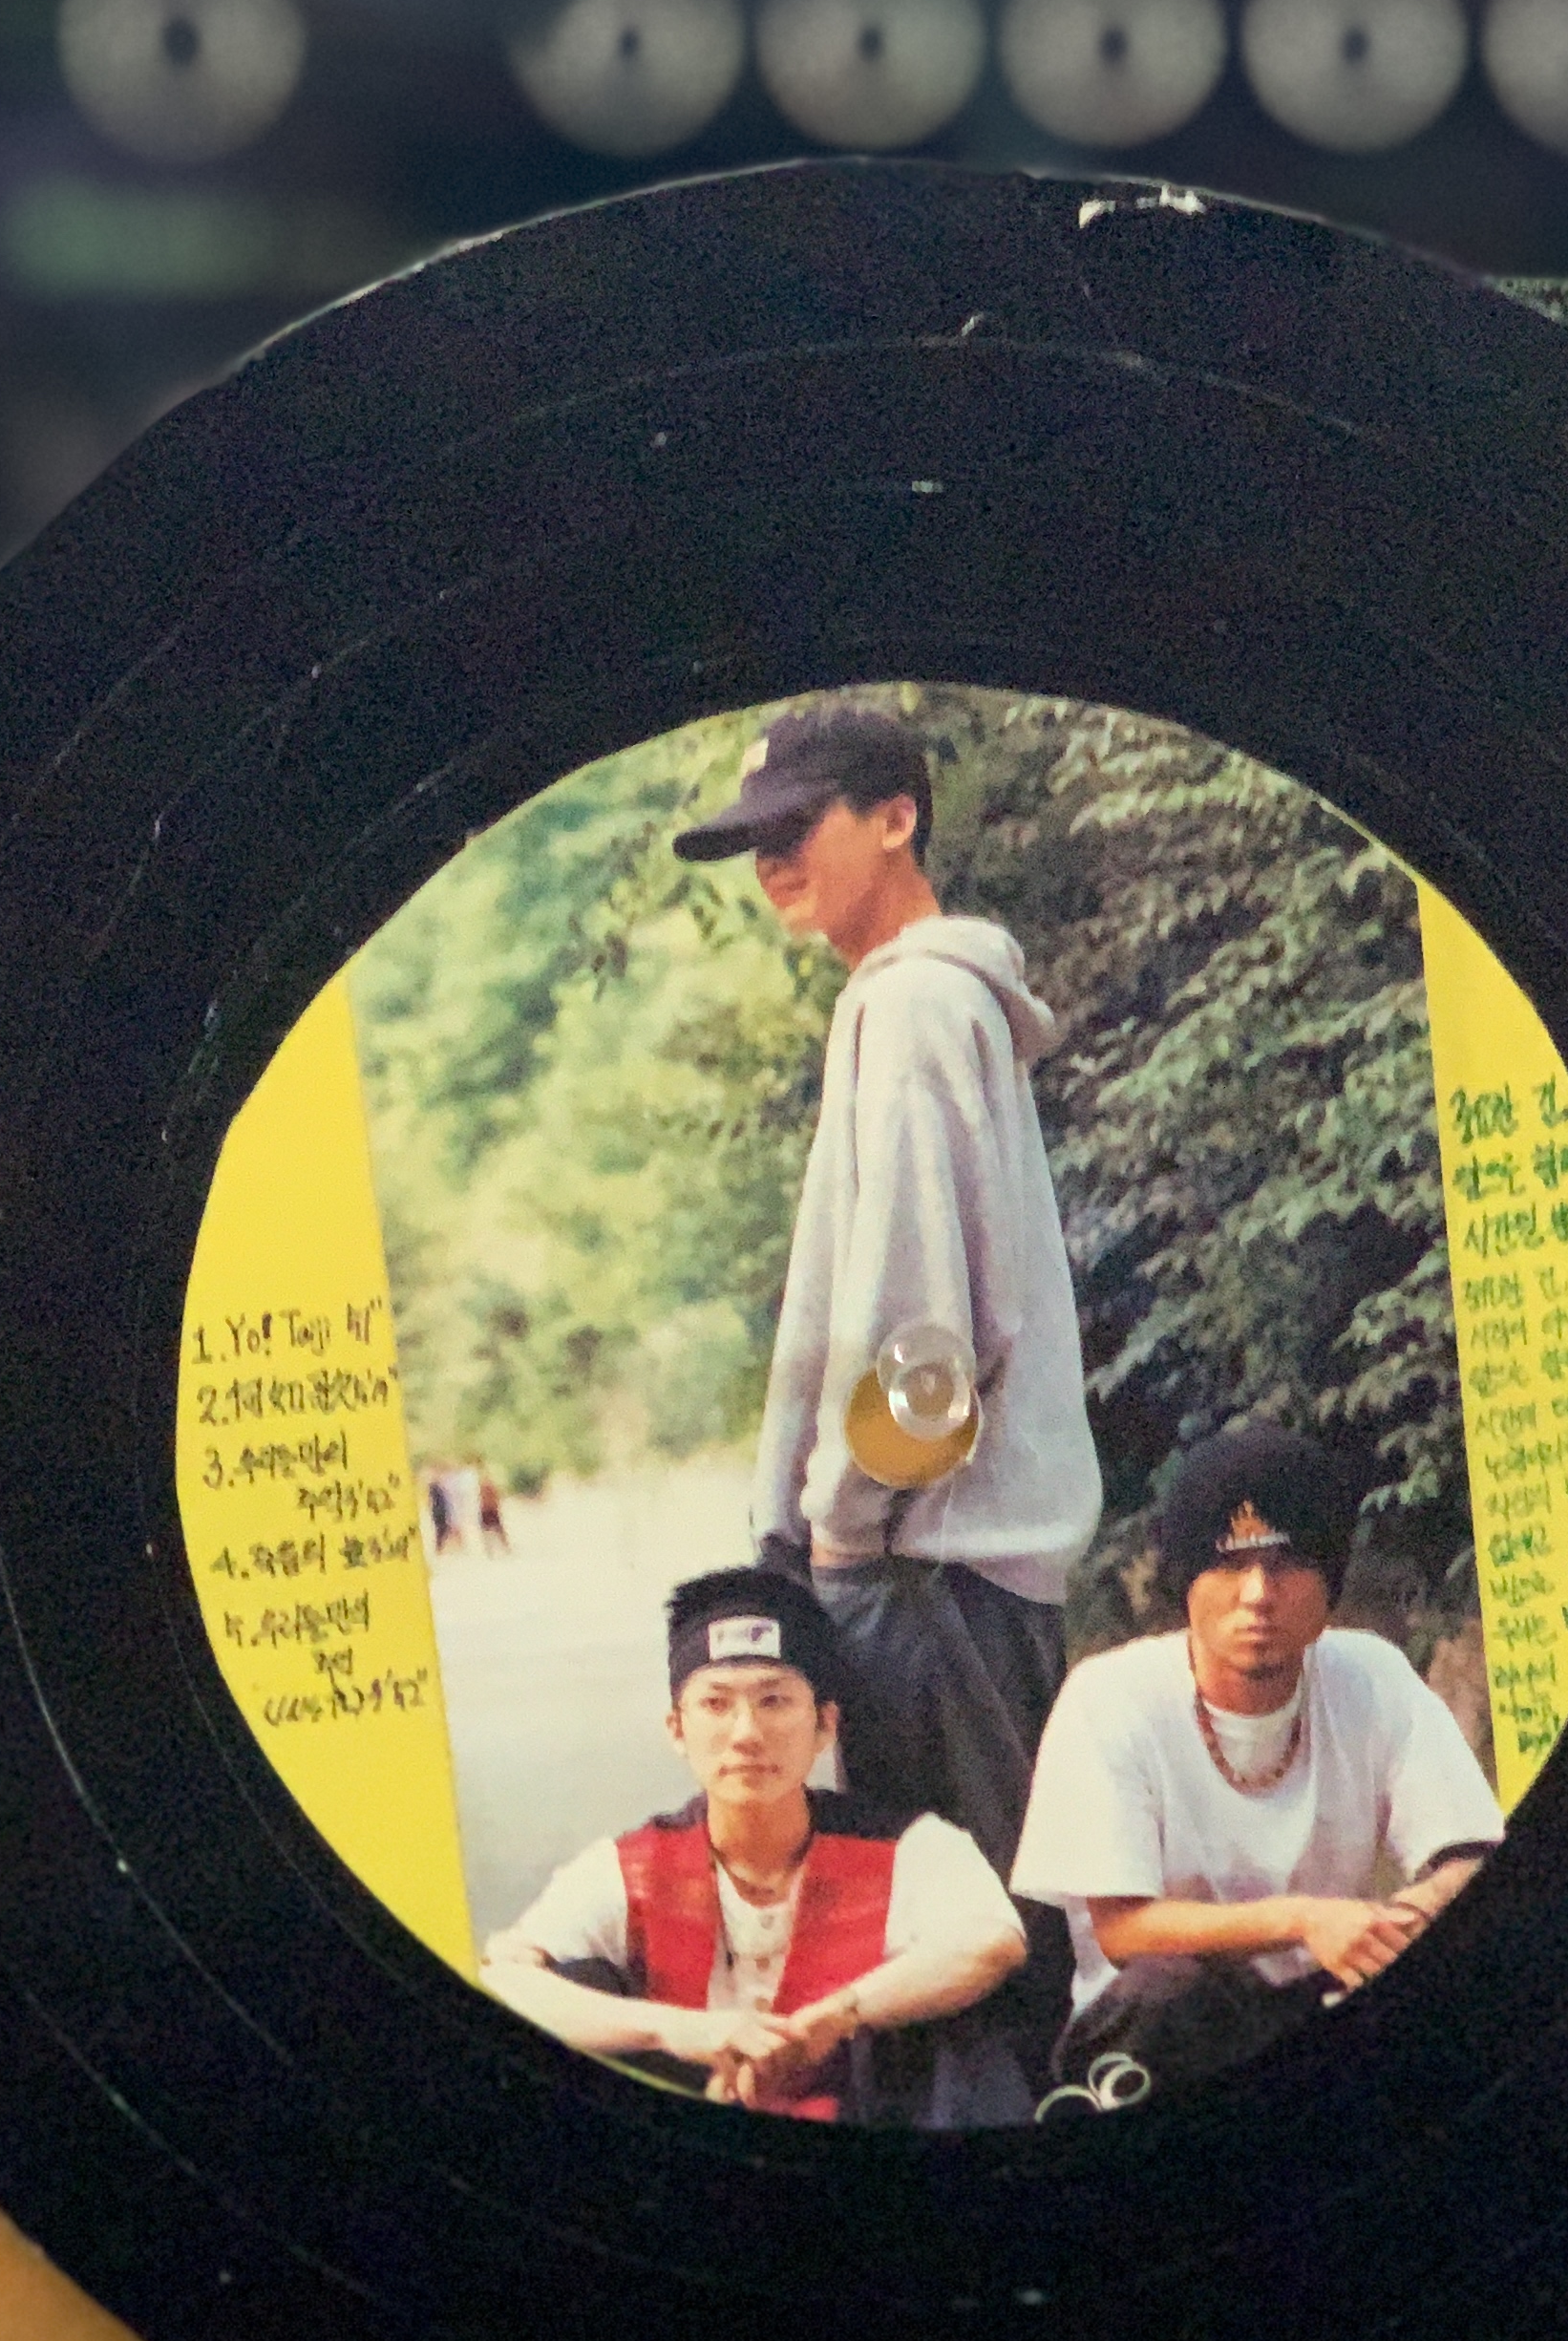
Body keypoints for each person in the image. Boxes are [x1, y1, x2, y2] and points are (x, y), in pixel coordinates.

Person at [671, 694, 1102, 2040]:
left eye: (797, 827)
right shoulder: (917, 999)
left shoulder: (915, 1005)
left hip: (928, 1571)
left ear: (898, 816)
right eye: (754, 842)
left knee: (967, 1956)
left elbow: (924, 1335)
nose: (771, 863)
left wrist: (843, 1527)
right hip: (949, 1564)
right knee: (986, 1937)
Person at [1009, 1426, 1502, 2103]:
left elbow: (1469, 1852)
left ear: (1330, 1582)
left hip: (1324, 1996)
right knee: (1167, 1992)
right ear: (1185, 1583)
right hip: (1155, 2032)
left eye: (1287, 1564)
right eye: (1229, 1565)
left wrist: (1410, 1913)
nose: (1259, 1594)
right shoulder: (1109, 1696)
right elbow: (1123, 1931)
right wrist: (1304, 1920)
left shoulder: (1372, 1674)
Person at [479, 1566, 1030, 2125]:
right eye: (716, 1705)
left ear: (825, 1725)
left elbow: (992, 1942)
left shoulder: (907, 1846)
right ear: (677, 1729)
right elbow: (506, 1974)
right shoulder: (635, 1865)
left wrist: (837, 2016)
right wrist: (672, 2028)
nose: (746, 1734)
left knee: (961, 2035)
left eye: (774, 1702)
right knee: (575, 1986)